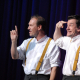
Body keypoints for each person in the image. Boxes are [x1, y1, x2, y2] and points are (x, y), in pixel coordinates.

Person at [10, 15, 61, 80]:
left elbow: (55, 67)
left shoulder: (52, 44)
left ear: (39, 27)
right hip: (27, 77)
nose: (28, 28)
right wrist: (14, 41)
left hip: (42, 78)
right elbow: (14, 56)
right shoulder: (27, 42)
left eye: (31, 25)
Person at [53, 15, 80, 80]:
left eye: (70, 25)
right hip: (65, 77)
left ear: (79, 28)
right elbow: (57, 40)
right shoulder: (69, 40)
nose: (67, 28)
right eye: (67, 25)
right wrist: (57, 27)